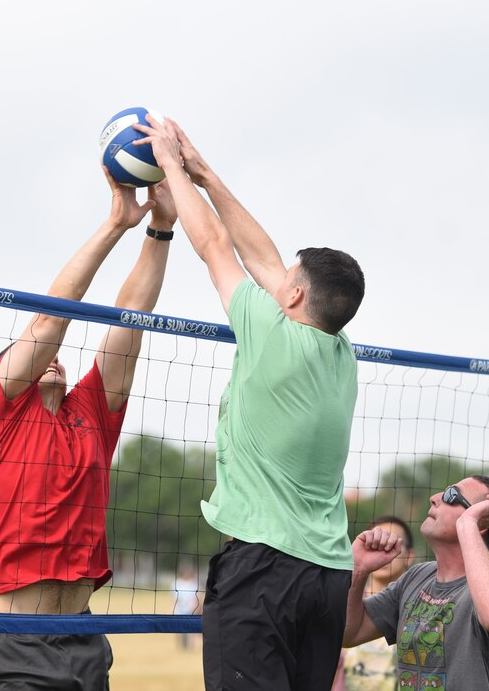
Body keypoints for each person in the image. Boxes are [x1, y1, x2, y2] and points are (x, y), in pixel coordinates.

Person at [136, 115, 366, 690]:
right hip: (327, 577)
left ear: (292, 295)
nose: (276, 274)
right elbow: (263, 257)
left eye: (287, 277)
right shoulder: (341, 351)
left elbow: (215, 245)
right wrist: (206, 172)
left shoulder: (271, 333)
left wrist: (169, 162)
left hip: (265, 570)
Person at [0, 168, 177, 690]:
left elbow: (133, 316)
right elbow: (48, 322)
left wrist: (160, 229)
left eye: (56, 358)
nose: (52, 358)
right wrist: (115, 225)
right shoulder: (1, 412)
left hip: (82, 639)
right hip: (12, 640)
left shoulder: (90, 415)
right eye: (38, 358)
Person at [343, 476, 489, 691]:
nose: (435, 498)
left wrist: (468, 524)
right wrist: (359, 569)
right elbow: (349, 633)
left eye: (452, 495)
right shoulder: (416, 577)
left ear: (481, 522)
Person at [333, 516, 416, 690]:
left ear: (409, 556)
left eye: (391, 544)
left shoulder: (418, 608)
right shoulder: (342, 602)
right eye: (375, 543)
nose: (382, 549)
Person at [171, 561, 203, 650]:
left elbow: (199, 598)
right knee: (180, 630)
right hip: (180, 610)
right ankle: (182, 648)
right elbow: (174, 598)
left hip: (191, 610)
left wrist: (198, 608)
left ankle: (189, 647)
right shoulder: (177, 583)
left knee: (190, 630)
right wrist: (174, 609)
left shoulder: (195, 584)